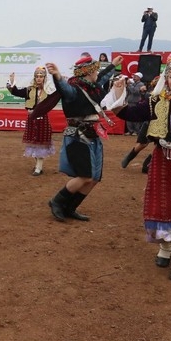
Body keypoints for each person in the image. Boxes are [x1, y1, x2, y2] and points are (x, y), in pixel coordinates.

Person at [108, 52, 171, 281]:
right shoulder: (156, 101)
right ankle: (166, 248)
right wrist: (119, 91)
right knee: (163, 204)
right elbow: (128, 113)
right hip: (163, 160)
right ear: (166, 79)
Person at [40, 54, 122, 222]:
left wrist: (112, 65)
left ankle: (71, 208)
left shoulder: (94, 87)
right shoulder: (73, 89)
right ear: (88, 72)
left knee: (95, 178)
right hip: (78, 136)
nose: (97, 73)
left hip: (93, 135)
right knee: (85, 176)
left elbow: (103, 76)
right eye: (95, 70)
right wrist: (56, 75)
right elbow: (63, 87)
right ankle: (56, 201)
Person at [6, 67, 56, 176]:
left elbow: (56, 98)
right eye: (37, 76)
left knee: (41, 143)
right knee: (33, 143)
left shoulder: (49, 90)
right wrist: (11, 81)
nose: (39, 78)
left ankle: (39, 167)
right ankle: (38, 165)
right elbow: (15, 92)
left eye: (41, 76)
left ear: (44, 77)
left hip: (43, 119)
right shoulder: (29, 89)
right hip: (31, 119)